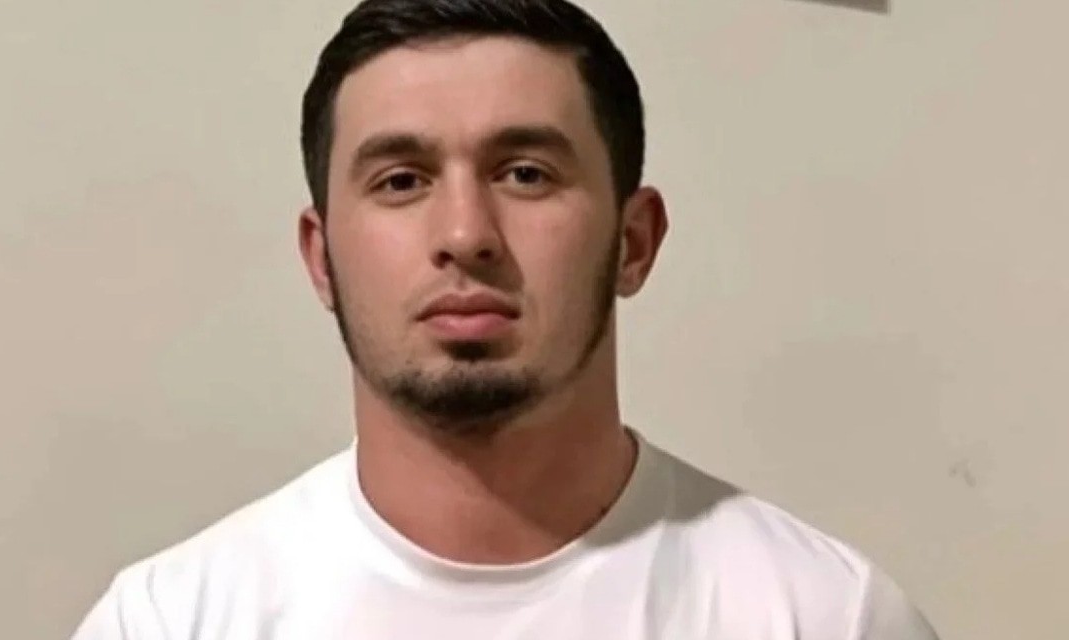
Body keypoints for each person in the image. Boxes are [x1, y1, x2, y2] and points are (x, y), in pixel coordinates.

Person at [71, 0, 940, 637]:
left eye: (526, 173)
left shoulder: (826, 617)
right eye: (400, 180)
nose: (465, 235)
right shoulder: (168, 622)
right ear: (321, 256)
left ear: (634, 242)